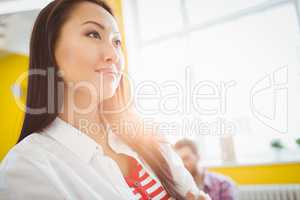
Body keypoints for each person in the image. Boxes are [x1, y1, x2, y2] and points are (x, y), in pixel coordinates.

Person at [0, 0, 211, 200]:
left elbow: (193, 193)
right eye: (93, 34)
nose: (114, 54)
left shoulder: (147, 135)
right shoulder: (28, 166)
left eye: (116, 41)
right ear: (51, 52)